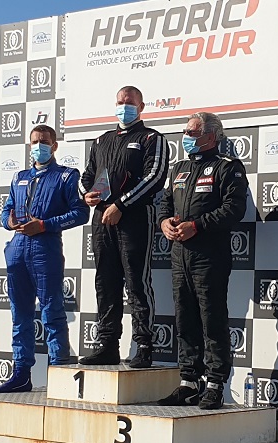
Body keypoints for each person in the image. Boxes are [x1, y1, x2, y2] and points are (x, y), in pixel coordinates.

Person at [157, 112, 248, 410]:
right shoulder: (179, 168)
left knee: (212, 320)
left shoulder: (228, 167)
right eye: (185, 131)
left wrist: (197, 225)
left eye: (192, 132)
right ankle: (188, 382)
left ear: (211, 136)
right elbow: (164, 204)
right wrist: (164, 223)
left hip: (210, 256)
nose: (186, 137)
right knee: (185, 319)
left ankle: (215, 384)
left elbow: (234, 209)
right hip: (179, 255)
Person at [78, 86, 169, 368]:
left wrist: (122, 205)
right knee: (106, 283)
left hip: (134, 218)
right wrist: (86, 195)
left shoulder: (151, 138)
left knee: (136, 282)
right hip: (102, 219)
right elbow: (87, 176)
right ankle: (107, 345)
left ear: (141, 107)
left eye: (129, 103)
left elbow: (155, 178)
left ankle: (144, 346)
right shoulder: (101, 140)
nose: (124, 107)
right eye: (120, 102)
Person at [0, 124, 89, 393]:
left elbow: (81, 213)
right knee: (20, 314)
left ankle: (59, 373)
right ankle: (21, 373)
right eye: (35, 141)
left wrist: (45, 225)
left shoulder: (67, 176)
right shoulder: (19, 177)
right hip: (17, 249)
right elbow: (6, 211)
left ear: (54, 146)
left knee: (52, 311)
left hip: (45, 249)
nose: (39, 146)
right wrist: (9, 222)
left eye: (44, 141)